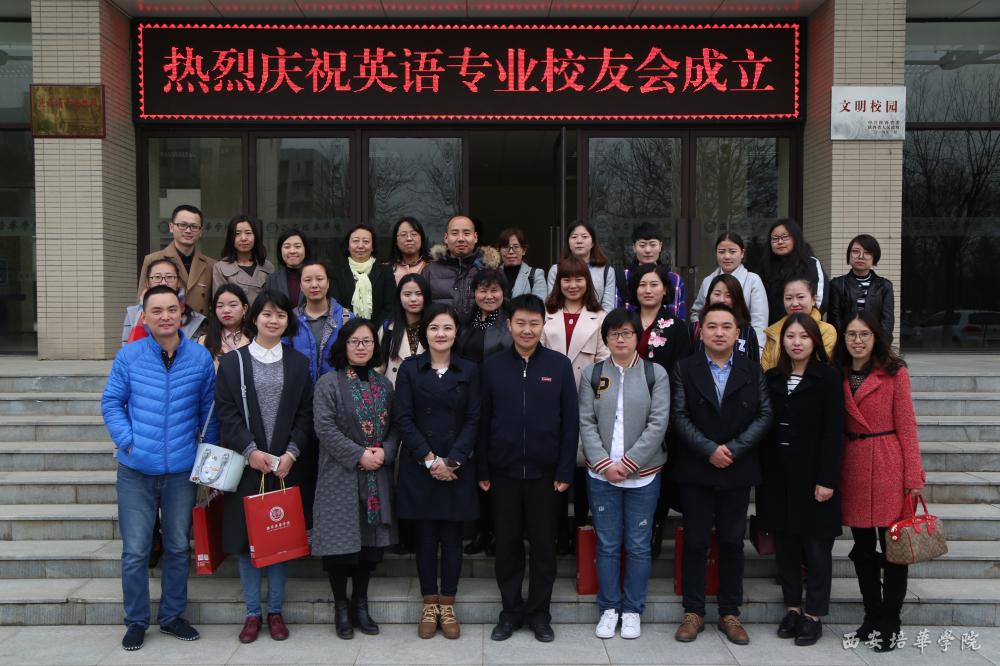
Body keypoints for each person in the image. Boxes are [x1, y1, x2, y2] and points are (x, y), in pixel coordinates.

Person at [101, 285, 216, 652]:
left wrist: (208, 460)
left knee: (179, 546)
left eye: (172, 309)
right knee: (135, 551)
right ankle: (136, 621)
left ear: (181, 313)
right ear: (144, 316)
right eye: (157, 310)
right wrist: (128, 441)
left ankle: (171, 616)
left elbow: (209, 412)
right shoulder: (130, 355)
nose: (165, 316)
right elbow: (111, 403)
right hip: (136, 469)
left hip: (181, 470)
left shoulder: (199, 357)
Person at [670, 302, 773, 646]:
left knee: (731, 541)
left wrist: (733, 449)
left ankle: (730, 612)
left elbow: (764, 414)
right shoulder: (685, 368)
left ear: (737, 333)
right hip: (697, 467)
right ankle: (693, 612)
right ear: (701, 331)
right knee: (696, 541)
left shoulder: (751, 369)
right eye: (712, 326)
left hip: (737, 467)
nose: (719, 333)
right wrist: (709, 449)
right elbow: (679, 414)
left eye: (726, 327)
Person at [214, 290, 314, 644]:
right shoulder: (233, 363)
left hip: (285, 466)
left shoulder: (298, 363)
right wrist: (250, 451)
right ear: (254, 317)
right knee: (247, 542)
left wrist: (291, 453)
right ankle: (252, 613)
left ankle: (275, 611)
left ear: (289, 321)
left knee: (280, 538)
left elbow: (306, 413)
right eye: (267, 314)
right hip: (248, 466)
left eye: (281, 315)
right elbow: (226, 412)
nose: (274, 320)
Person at [478, 294, 577, 644]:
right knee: (506, 546)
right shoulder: (492, 366)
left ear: (543, 325)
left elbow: (570, 423)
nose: (527, 329)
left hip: (546, 476)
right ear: (509, 324)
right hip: (502, 473)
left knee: (544, 548)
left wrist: (565, 470)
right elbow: (482, 421)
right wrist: (483, 469)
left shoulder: (559, 366)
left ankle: (539, 614)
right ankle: (510, 612)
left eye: (534, 323)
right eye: (520, 322)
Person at [835, 312, 924, 651]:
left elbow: (907, 424)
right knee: (862, 549)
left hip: (888, 463)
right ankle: (871, 616)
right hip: (854, 466)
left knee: (893, 550)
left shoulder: (894, 372)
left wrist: (913, 474)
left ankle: (891, 621)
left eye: (864, 334)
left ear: (876, 337)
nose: (857, 340)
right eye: (851, 334)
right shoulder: (838, 373)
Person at [579, 308, 669, 641]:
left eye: (627, 333)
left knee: (638, 545)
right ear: (606, 338)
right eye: (614, 333)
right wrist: (604, 463)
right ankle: (609, 608)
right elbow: (585, 421)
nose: (620, 339)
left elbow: (658, 423)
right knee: (607, 544)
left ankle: (632, 609)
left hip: (643, 475)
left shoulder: (655, 374)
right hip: (601, 475)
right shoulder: (592, 374)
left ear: (637, 337)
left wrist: (630, 463)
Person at [394, 304, 480, 639]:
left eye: (447, 328)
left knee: (453, 538)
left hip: (457, 467)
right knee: (426, 538)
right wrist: (431, 460)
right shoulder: (410, 369)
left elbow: (474, 418)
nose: (440, 334)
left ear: (456, 332)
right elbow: (403, 417)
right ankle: (429, 603)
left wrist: (453, 460)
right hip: (421, 466)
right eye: (434, 328)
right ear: (423, 332)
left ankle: (448, 603)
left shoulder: (469, 369)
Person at [312, 319, 398, 640]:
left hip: (376, 475)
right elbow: (324, 428)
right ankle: (341, 608)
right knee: (340, 549)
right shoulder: (328, 383)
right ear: (343, 345)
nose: (361, 347)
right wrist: (359, 454)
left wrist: (385, 452)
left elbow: (395, 428)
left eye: (367, 341)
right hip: (340, 475)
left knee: (368, 547)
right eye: (354, 341)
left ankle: (361, 604)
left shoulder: (384, 385)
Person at [761, 313, 844, 647]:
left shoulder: (829, 378)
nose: (796, 342)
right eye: (790, 336)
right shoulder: (772, 378)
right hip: (778, 476)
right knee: (786, 547)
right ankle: (793, 609)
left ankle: (814, 615)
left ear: (815, 341)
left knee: (817, 548)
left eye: (804, 336)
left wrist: (827, 479)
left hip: (814, 477)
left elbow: (833, 432)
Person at [542, 257, 610, 554]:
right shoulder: (546, 314)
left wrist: (595, 397)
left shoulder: (601, 316)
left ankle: (581, 530)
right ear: (558, 283)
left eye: (578, 279)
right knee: (555, 467)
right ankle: (558, 533)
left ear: (587, 282)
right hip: (550, 399)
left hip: (587, 399)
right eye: (566, 279)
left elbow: (604, 362)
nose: (572, 285)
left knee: (583, 468)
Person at [629, 263, 690, 557]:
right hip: (625, 411)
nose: (648, 290)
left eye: (654, 284)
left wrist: (668, 414)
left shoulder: (676, 326)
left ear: (665, 289)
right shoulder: (625, 322)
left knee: (658, 475)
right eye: (642, 284)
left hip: (660, 415)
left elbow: (680, 375)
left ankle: (655, 527)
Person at [456, 268, 513, 557]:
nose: (488, 296)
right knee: (476, 469)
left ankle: (499, 533)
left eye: (494, 290)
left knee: (498, 470)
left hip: (501, 406)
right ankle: (481, 530)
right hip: (469, 404)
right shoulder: (465, 323)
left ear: (504, 293)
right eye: (482, 290)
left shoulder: (510, 324)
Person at [137, 204, 216, 317]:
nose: (188, 230)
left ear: (201, 231)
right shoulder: (152, 260)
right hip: (163, 324)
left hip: (201, 326)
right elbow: (142, 301)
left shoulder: (211, 265)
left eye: (194, 226)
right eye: (182, 225)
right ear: (171, 227)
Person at [691, 232, 768, 347]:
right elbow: (696, 313)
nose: (727, 256)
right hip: (711, 345)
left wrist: (758, 350)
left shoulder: (753, 280)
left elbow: (759, 321)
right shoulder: (708, 280)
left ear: (742, 253)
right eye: (721, 252)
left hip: (742, 345)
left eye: (732, 251)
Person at [423, 214, 501, 318]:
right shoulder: (430, 271)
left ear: (475, 237)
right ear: (446, 238)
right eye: (454, 233)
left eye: (466, 233)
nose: (460, 238)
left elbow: (501, 310)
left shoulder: (491, 269)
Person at [286, 262, 352, 382]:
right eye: (308, 280)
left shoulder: (346, 318)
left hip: (337, 389)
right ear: (300, 286)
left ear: (328, 283)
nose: (314, 285)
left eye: (320, 279)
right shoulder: (290, 319)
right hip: (301, 388)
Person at [828, 234, 895, 342]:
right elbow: (834, 319)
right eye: (855, 251)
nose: (861, 256)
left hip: (875, 343)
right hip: (846, 343)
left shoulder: (884, 286)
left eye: (867, 253)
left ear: (874, 257)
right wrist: (845, 343)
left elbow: (887, 320)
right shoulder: (837, 284)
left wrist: (881, 345)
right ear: (849, 255)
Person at [123, 257, 206, 344]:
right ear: (148, 282)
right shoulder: (132, 314)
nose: (163, 283)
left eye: (169, 277)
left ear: (178, 282)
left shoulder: (196, 320)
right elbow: (126, 350)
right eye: (157, 277)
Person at [761, 278, 837, 371]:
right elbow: (765, 370)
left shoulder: (826, 330)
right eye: (788, 298)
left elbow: (821, 366)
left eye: (800, 297)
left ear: (813, 299)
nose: (794, 303)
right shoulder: (774, 331)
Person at [761, 218, 827, 324]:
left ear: (795, 238)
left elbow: (820, 299)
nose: (780, 242)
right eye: (775, 238)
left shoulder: (810, 263)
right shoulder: (765, 267)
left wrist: (805, 325)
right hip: (773, 328)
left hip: (807, 326)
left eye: (785, 237)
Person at [615, 222, 686, 319]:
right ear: (634, 247)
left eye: (653, 245)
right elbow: (616, 316)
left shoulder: (675, 280)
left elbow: (680, 318)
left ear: (660, 246)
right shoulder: (623, 277)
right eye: (642, 245)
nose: (648, 250)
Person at [330, 223, 395, 326]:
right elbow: (336, 307)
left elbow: (390, 307)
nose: (360, 246)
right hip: (346, 330)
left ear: (372, 247)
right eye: (355, 241)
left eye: (366, 241)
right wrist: (351, 330)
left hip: (378, 331)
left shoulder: (385, 272)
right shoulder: (336, 273)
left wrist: (372, 330)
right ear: (348, 246)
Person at [689, 274, 761, 364]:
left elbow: (754, 368)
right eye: (717, 294)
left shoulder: (748, 331)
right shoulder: (694, 329)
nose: (722, 300)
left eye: (728, 295)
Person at [547, 223, 616, 312]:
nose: (579, 241)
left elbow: (607, 308)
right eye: (574, 237)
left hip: (596, 319)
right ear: (568, 242)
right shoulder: (556, 269)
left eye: (584, 236)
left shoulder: (606, 271)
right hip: (563, 319)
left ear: (593, 243)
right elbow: (553, 303)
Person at [378, 273, 430, 386]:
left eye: (419, 294)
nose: (413, 299)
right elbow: (378, 368)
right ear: (399, 298)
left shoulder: (434, 327)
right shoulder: (388, 328)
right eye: (407, 294)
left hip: (427, 390)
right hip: (395, 389)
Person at [211, 215, 275, 306]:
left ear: (255, 236)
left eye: (248, 233)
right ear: (231, 238)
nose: (243, 238)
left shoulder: (268, 267)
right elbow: (220, 304)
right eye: (237, 234)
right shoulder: (220, 268)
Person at [198, 284, 250, 367]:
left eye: (233, 305)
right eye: (220, 306)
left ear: (244, 308)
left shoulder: (256, 338)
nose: (226, 310)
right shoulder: (204, 341)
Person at [496, 227, 547, 300]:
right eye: (506, 247)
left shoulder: (535, 275)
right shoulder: (492, 274)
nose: (511, 252)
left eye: (516, 247)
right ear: (499, 250)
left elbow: (539, 304)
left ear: (524, 250)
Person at [264, 228, 311, 306]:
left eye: (297, 246)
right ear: (280, 251)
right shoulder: (272, 280)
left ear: (305, 249)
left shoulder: (317, 277)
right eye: (287, 247)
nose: (292, 251)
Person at [389, 216, 430, 283]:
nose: (409, 238)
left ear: (422, 239)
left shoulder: (432, 268)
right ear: (395, 241)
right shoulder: (387, 270)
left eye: (414, 234)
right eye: (403, 234)